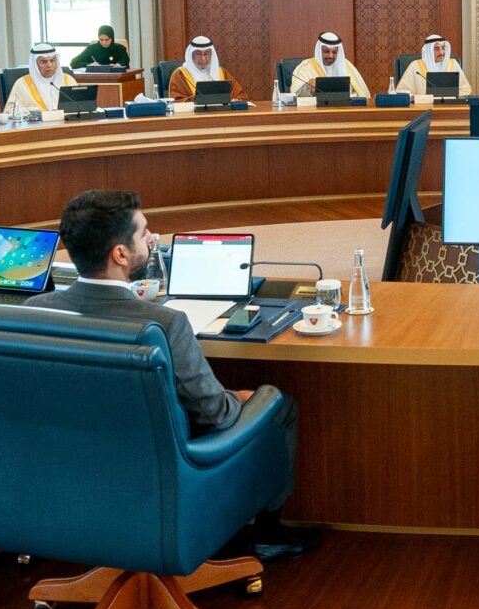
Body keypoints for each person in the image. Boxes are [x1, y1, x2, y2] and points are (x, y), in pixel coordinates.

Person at [26, 188, 316, 562]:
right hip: (159, 472)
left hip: (69, 471)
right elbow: (215, 414)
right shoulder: (165, 323)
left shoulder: (35, 311)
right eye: (144, 233)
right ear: (120, 254)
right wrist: (240, 398)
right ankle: (268, 534)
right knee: (277, 405)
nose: (152, 239)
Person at [285, 32, 370, 100]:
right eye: (326, 51)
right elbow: (294, 96)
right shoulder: (305, 67)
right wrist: (308, 87)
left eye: (334, 52)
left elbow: (362, 94)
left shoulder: (347, 66)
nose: (330, 56)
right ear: (319, 51)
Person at [0, 43, 73, 121]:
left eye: (52, 60)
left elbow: (80, 106)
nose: (49, 65)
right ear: (35, 64)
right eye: (44, 62)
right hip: (37, 125)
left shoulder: (68, 80)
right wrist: (29, 113)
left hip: (67, 124)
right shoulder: (22, 84)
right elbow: (9, 111)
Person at [166, 36, 248, 102]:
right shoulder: (180, 74)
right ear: (191, 55)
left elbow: (240, 95)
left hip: (220, 114)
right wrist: (198, 101)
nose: (203, 58)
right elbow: (176, 101)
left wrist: (235, 100)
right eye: (199, 54)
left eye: (206, 53)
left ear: (211, 55)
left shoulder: (222, 72)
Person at [393, 34, 464, 97]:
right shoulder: (415, 66)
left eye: (443, 48)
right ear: (428, 51)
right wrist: (418, 98)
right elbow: (401, 91)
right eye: (437, 49)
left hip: (450, 106)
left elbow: (465, 89)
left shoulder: (453, 64)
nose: (442, 52)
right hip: (423, 106)